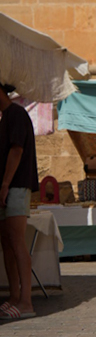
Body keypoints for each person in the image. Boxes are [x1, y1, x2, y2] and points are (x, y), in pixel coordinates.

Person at [0, 84, 39, 321]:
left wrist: (5, 184)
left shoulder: (16, 114)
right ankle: (15, 297)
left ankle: (26, 302)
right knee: (7, 242)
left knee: (16, 241)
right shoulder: (6, 117)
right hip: (8, 188)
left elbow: (16, 151)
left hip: (16, 186)